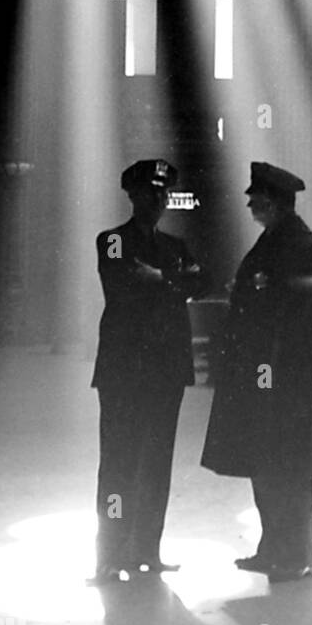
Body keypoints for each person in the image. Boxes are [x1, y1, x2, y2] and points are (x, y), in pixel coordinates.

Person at [202, 162, 312, 580]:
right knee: (268, 462)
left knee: (287, 466)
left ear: (274, 202)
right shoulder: (277, 240)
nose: (250, 205)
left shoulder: (297, 245)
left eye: (256, 200)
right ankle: (274, 546)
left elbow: (307, 311)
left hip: (281, 374)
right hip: (265, 371)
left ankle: (296, 553)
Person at [90, 159, 205, 585]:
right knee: (118, 465)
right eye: (149, 194)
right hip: (124, 371)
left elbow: (204, 283)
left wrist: (157, 277)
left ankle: (146, 550)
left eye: (163, 194)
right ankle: (110, 554)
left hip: (165, 370)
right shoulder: (113, 241)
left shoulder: (174, 246)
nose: (157, 201)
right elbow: (121, 282)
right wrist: (173, 282)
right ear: (133, 196)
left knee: (157, 464)